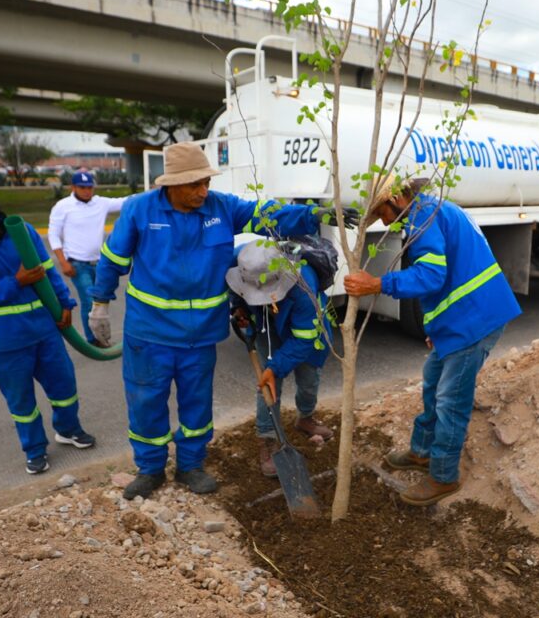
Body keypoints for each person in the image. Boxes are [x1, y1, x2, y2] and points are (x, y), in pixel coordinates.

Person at [90, 142, 353, 498]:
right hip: (150, 333)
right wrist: (100, 303)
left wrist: (317, 215)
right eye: (194, 185)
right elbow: (111, 259)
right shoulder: (140, 210)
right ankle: (150, 468)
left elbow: (268, 214)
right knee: (146, 402)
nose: (203, 191)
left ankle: (190, 465)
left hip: (200, 336)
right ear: (170, 185)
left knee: (196, 403)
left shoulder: (221, 207)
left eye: (206, 183)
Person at [344, 177, 521, 506]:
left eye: (381, 211)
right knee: (432, 382)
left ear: (397, 199)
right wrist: (438, 326)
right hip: (463, 317)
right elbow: (450, 275)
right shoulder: (429, 210)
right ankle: (422, 452)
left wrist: (378, 284)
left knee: (450, 398)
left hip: (475, 320)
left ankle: (443, 476)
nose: (383, 221)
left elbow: (431, 275)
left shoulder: (423, 218)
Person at [0, 179, 97, 475]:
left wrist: (65, 304)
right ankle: (35, 450)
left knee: (64, 387)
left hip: (45, 330)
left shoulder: (19, 231)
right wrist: (16, 282)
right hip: (5, 340)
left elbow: (47, 271)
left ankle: (68, 428)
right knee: (21, 399)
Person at [227, 242, 334, 477]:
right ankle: (267, 438)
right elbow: (234, 288)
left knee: (308, 378)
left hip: (306, 332)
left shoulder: (303, 285)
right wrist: (239, 309)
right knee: (267, 386)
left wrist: (275, 368)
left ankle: (305, 417)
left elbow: (305, 339)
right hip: (266, 325)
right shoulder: (241, 260)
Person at [47, 170, 130, 347]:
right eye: (83, 187)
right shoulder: (63, 206)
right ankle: (93, 340)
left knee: (100, 299)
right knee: (88, 299)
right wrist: (63, 262)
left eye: (90, 187)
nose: (87, 191)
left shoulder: (100, 203)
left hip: (99, 263)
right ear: (74, 187)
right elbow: (53, 235)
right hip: (77, 264)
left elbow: (126, 202)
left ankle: (98, 336)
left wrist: (154, 192)